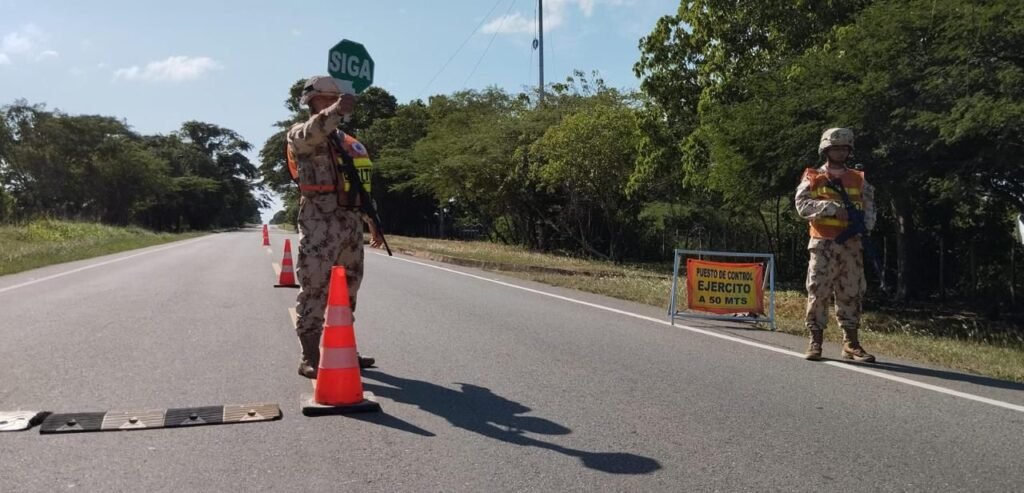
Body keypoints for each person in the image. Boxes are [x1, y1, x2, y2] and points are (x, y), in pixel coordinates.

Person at [286, 75, 384, 378]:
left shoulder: (350, 144)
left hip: (350, 224)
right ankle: (310, 355)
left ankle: (343, 347)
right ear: (310, 102)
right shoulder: (300, 134)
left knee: (347, 291)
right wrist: (336, 112)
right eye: (324, 99)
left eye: (334, 98)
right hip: (319, 220)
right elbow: (313, 130)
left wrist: (373, 221)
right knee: (315, 286)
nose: (329, 103)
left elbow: (361, 186)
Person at [794, 127, 877, 362]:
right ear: (826, 149)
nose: (839, 152)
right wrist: (830, 208)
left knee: (851, 292)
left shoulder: (858, 178)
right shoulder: (814, 176)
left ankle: (851, 344)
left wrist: (865, 226)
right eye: (835, 148)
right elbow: (802, 205)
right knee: (818, 291)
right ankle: (815, 342)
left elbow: (870, 206)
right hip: (823, 243)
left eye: (844, 148)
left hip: (851, 245)